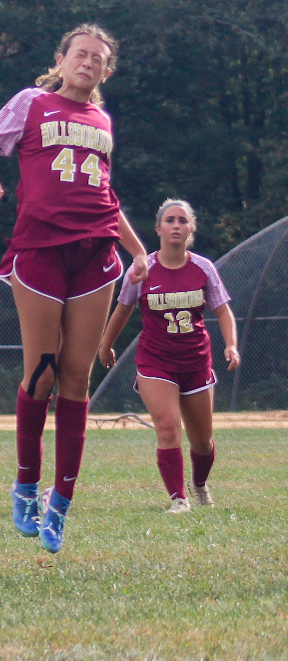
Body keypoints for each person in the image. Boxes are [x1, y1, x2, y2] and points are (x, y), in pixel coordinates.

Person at [0, 23, 148, 553]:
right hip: (40, 250)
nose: (88, 62)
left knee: (76, 379)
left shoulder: (102, 119)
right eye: (79, 54)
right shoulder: (30, 102)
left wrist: (138, 252)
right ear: (61, 60)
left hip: (95, 254)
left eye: (98, 58)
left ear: (106, 71)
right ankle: (24, 484)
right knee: (41, 373)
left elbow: (106, 198)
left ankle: (60, 502)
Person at [98, 199, 240, 512]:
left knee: (202, 442)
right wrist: (105, 343)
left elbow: (223, 311)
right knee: (167, 428)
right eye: (170, 220)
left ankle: (199, 484)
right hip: (155, 360)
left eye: (182, 220)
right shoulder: (143, 268)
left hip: (195, 361)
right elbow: (123, 308)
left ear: (191, 228)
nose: (176, 225)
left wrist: (231, 344)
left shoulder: (203, 267)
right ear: (159, 228)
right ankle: (179, 498)